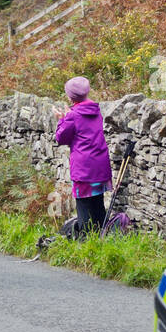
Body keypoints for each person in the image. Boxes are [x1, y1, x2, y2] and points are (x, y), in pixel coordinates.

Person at [53, 77, 113, 235]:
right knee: (98, 204)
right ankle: (102, 238)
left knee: (83, 207)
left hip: (83, 168)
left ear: (70, 97)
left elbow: (61, 138)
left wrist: (62, 120)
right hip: (100, 165)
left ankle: (85, 242)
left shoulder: (72, 115)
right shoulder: (96, 110)